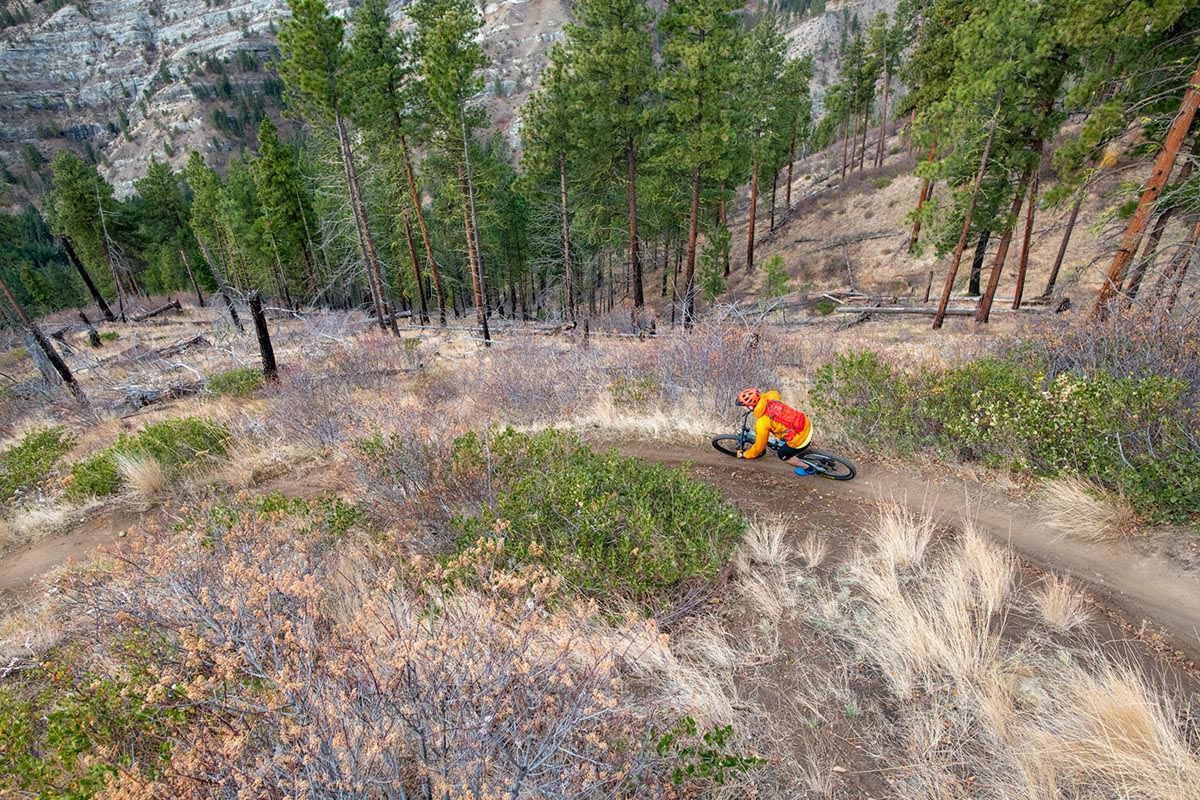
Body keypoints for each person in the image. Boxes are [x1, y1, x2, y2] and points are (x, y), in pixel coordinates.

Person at [734, 387, 816, 475]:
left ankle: (808, 468)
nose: (743, 409)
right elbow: (774, 392)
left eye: (744, 407)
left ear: (751, 406)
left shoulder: (762, 422)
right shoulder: (771, 397)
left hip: (800, 439)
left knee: (782, 455)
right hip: (806, 424)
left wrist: (745, 455)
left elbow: (759, 447)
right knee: (782, 432)